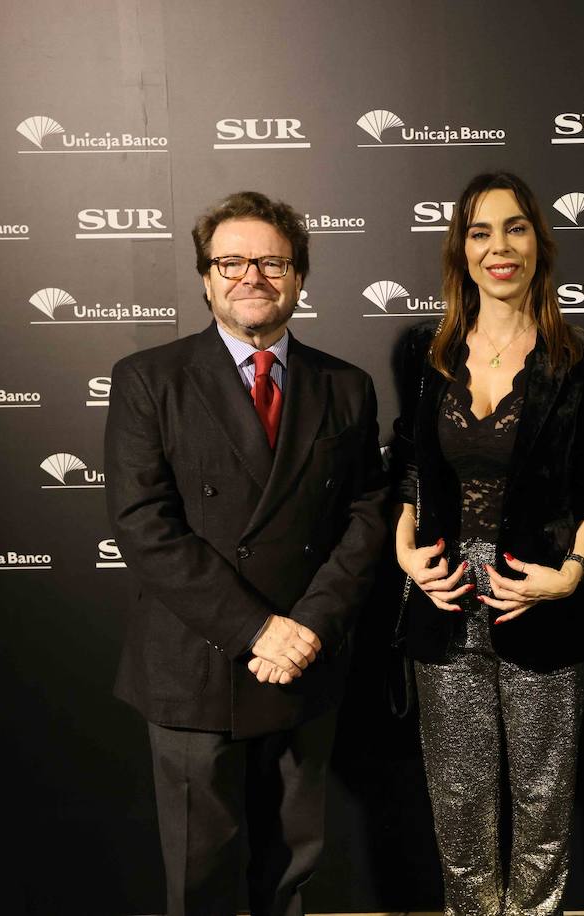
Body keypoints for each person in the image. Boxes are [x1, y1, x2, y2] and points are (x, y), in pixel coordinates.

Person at [104, 190, 388, 916]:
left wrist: (309, 628)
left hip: (305, 661)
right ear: (205, 276)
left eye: (271, 261)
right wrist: (260, 630)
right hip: (198, 664)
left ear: (299, 276)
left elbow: (366, 518)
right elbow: (145, 527)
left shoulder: (346, 386)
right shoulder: (149, 379)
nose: (251, 276)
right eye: (231, 261)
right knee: (202, 875)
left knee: (294, 868)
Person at [390, 171, 584, 915]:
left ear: (537, 242)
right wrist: (404, 552)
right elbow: (405, 465)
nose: (499, 246)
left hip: (538, 598)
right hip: (444, 596)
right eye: (481, 230)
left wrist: (570, 576)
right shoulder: (422, 352)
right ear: (460, 247)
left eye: (515, 227)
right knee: (458, 801)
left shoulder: (583, 360)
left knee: (543, 803)